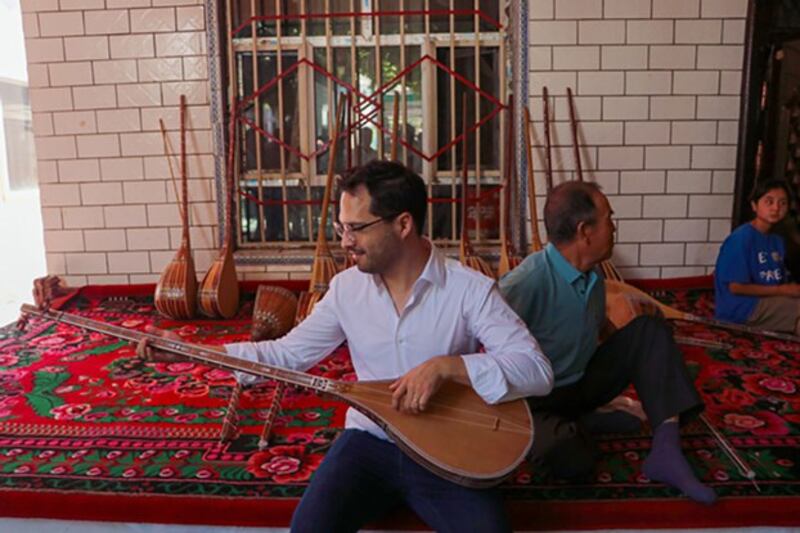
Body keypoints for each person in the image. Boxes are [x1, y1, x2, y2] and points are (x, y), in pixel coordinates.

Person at [141, 160, 554, 532]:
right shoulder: (345, 289)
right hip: (369, 443)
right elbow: (285, 355)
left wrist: (448, 367)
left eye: (356, 228)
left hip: (445, 450)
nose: (344, 241)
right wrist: (191, 351)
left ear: (403, 224)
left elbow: (536, 370)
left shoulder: (469, 290)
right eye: (341, 227)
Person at [499, 181, 717, 505]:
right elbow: (486, 350)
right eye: (609, 218)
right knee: (573, 460)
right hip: (534, 400)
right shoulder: (525, 283)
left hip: (578, 382)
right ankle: (580, 423)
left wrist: (642, 358)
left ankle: (666, 451)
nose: (614, 227)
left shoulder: (594, 276)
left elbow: (595, 329)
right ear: (585, 230)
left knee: (649, 331)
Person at [714, 179, 800, 334]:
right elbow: (736, 287)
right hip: (743, 307)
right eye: (769, 202)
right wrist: (782, 290)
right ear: (754, 205)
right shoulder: (741, 239)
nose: (776, 208)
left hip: (769, 301)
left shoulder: (777, 240)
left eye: (782, 203)